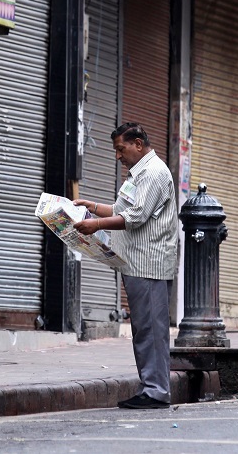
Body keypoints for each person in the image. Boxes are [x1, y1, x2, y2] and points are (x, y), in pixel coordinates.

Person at [73, 122, 180, 410]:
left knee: (151, 331)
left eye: (121, 149)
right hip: (136, 263)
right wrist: (92, 206)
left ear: (138, 145)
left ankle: (156, 391)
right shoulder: (139, 174)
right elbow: (122, 210)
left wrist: (94, 225)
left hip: (150, 265)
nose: (118, 156)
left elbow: (133, 217)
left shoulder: (154, 173)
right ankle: (151, 387)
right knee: (144, 329)